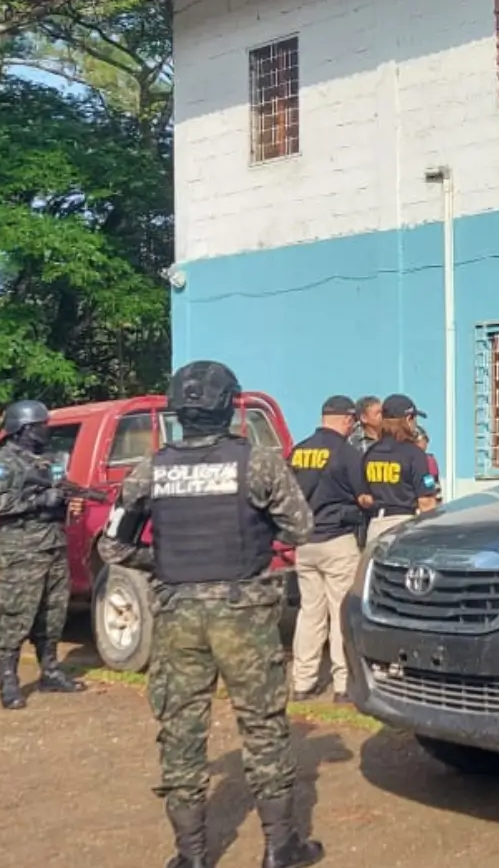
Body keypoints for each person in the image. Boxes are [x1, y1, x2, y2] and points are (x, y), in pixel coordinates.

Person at [98, 361, 323, 868]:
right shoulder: (258, 463)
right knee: (262, 724)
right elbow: (300, 528)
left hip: (177, 613)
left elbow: (112, 546)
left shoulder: (150, 469)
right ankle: (279, 847)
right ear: (228, 406)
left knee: (181, 729)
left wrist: (162, 559)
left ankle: (192, 855)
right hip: (244, 613)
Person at [0, 399, 88, 710]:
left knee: (54, 612)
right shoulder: (1, 464)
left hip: (53, 544)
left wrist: (68, 501)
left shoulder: (48, 461)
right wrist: (38, 502)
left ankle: (50, 671)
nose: (45, 430)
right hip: (22, 551)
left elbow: (61, 491)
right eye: (40, 426)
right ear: (24, 429)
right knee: (18, 613)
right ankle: (8, 680)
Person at [289, 395, 374, 704]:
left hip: (305, 543)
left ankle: (302, 682)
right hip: (337, 540)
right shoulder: (348, 453)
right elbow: (364, 497)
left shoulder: (299, 451)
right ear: (346, 420)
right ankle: (342, 685)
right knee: (341, 613)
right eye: (352, 422)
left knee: (309, 613)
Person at [360, 393, 440, 547]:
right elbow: (426, 501)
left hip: (375, 525)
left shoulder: (371, 453)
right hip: (403, 525)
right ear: (408, 419)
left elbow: (364, 498)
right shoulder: (414, 454)